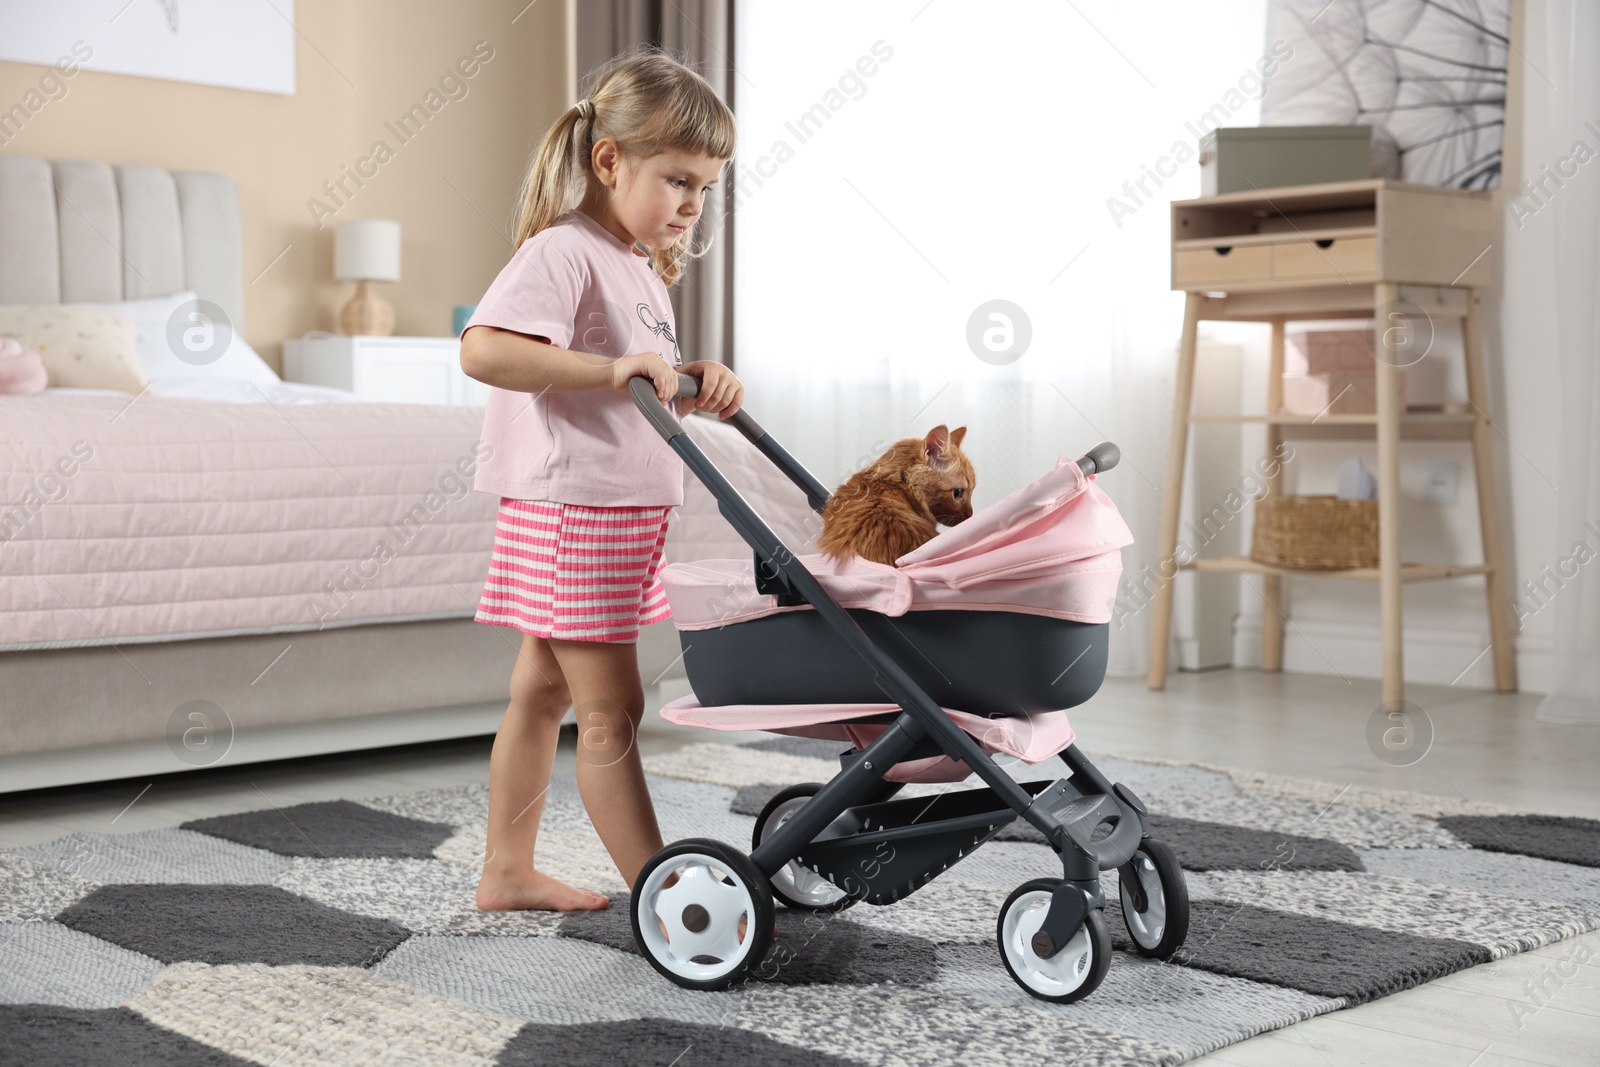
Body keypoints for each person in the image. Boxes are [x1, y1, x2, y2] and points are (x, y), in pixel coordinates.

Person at [460, 47, 742, 912]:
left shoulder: (635, 266)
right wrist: (616, 367)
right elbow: (485, 348)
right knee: (612, 706)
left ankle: (507, 871)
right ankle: (666, 898)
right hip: (577, 506)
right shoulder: (567, 249)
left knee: (542, 688)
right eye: (678, 180)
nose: (692, 205)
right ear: (610, 160)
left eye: (705, 189)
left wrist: (684, 379)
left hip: (615, 507)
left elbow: (627, 383)